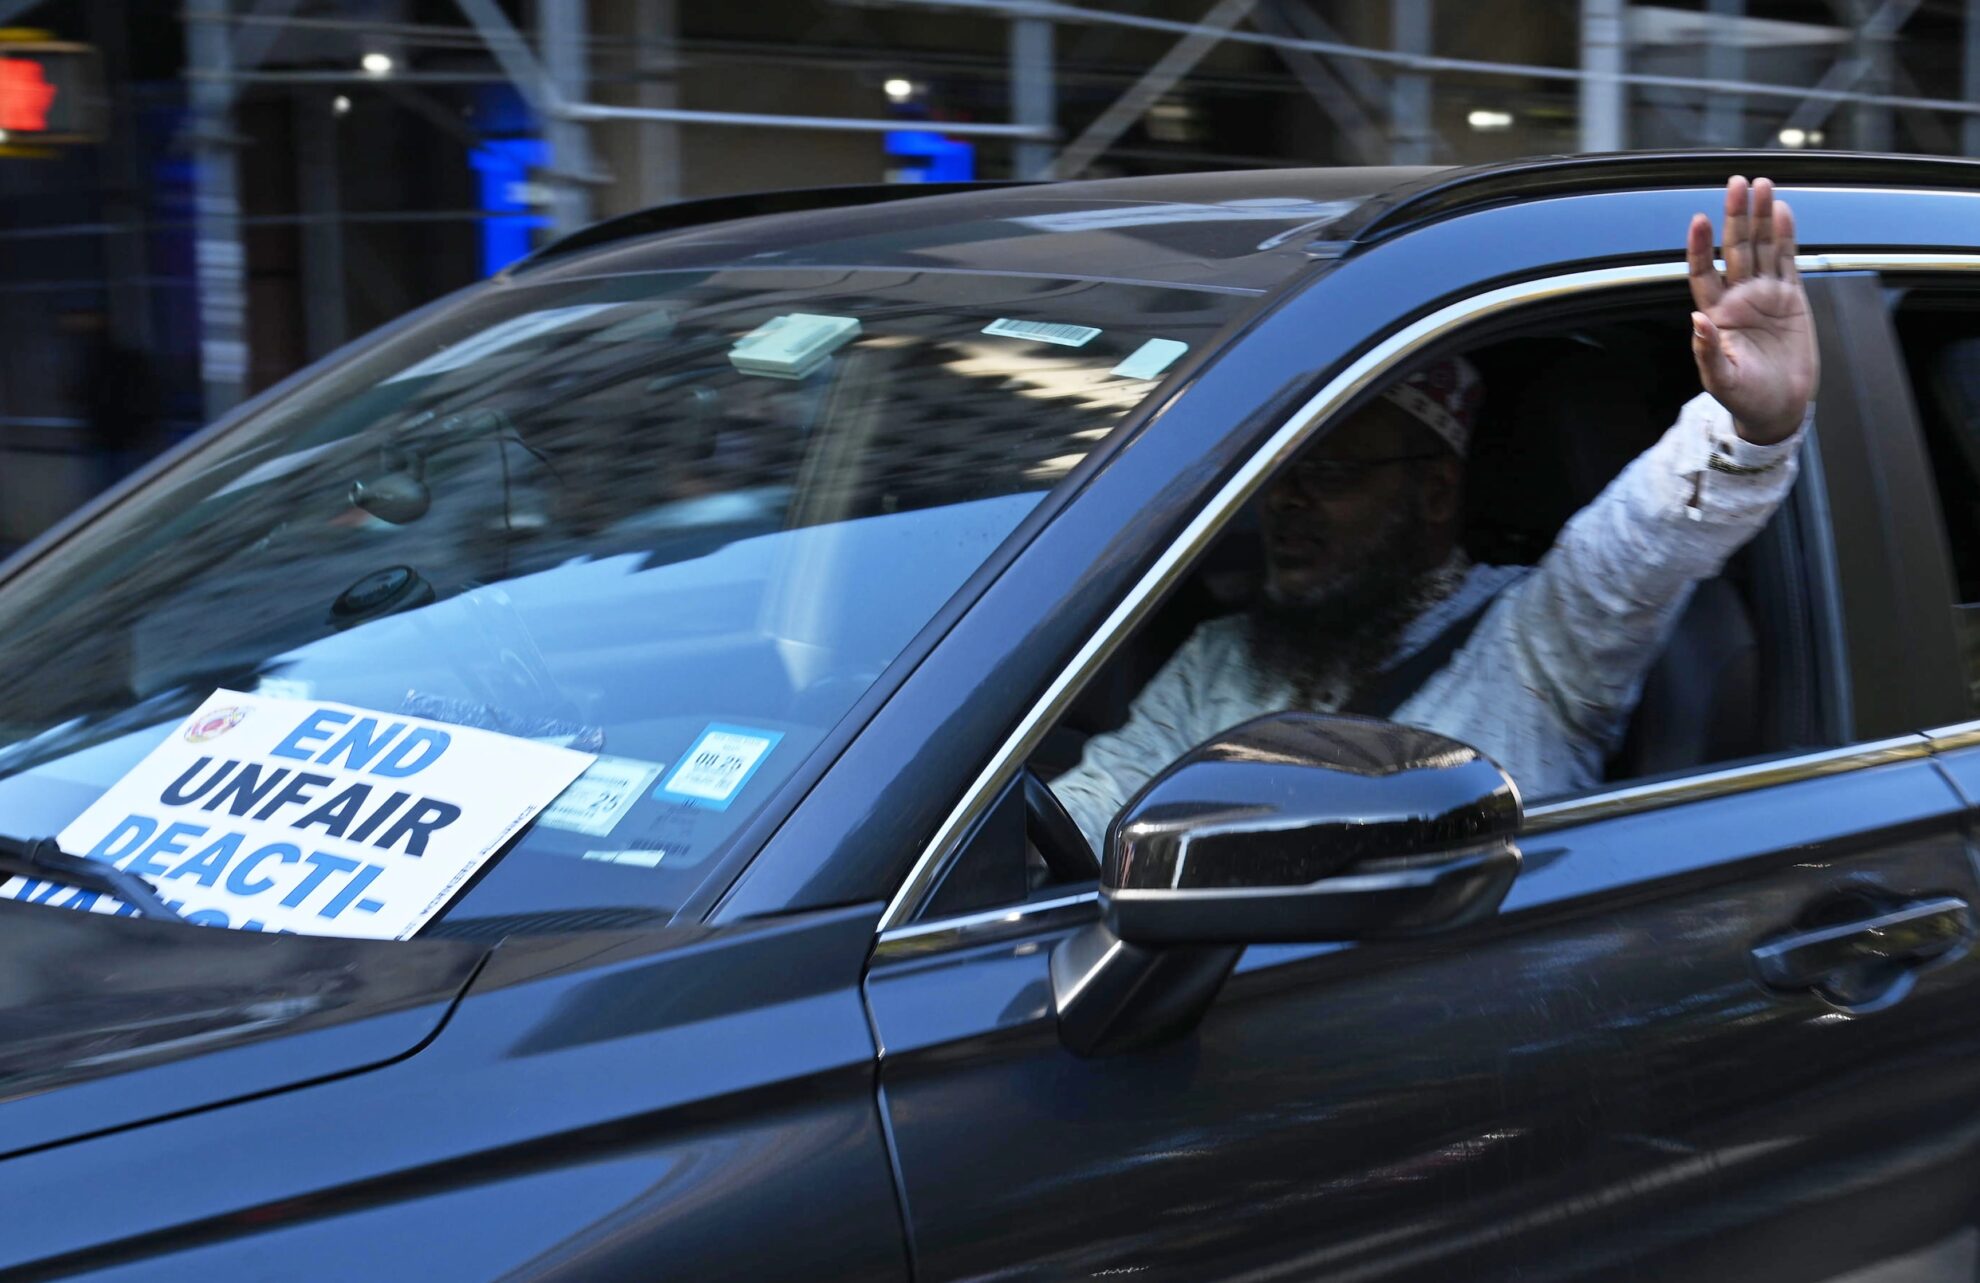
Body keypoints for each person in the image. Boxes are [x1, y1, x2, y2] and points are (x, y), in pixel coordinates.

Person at [1052, 175, 1821, 852]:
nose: (1286, 500)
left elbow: (1641, 539)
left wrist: (1747, 431)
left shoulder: (1535, 640)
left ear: (1434, 494)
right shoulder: (1222, 655)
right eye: (1281, 474)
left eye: (1332, 471)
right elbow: (1099, 804)